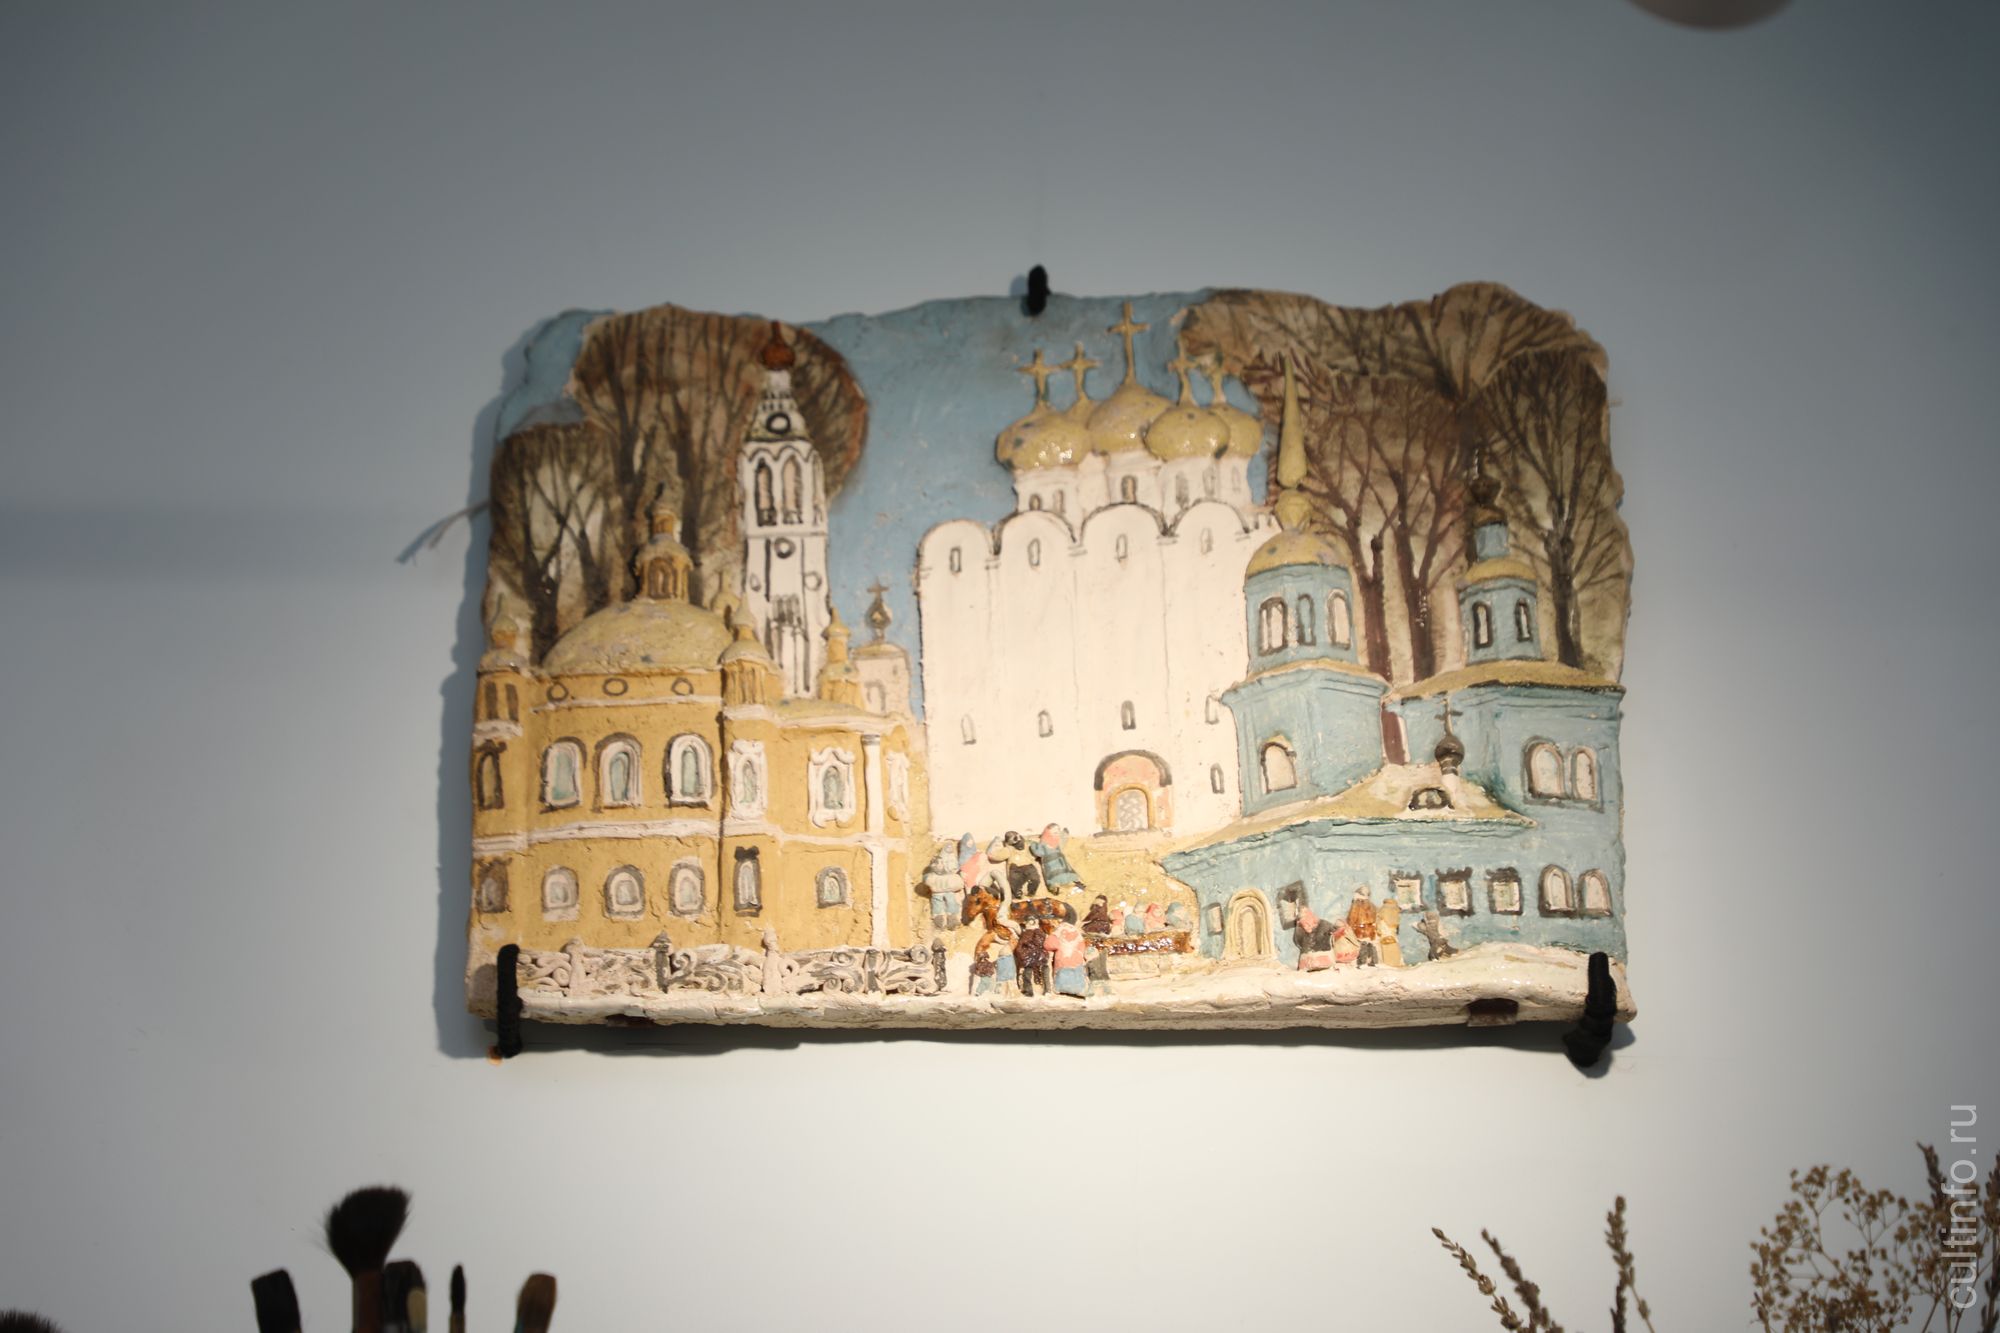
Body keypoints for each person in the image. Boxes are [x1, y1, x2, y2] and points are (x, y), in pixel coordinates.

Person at [918, 841, 962, 935]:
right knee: (937, 901)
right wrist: (931, 880)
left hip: (949, 890)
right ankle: (939, 917)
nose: (942, 865)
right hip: (938, 892)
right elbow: (926, 879)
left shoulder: (951, 860)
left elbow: (955, 873)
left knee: (951, 901)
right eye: (940, 863)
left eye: (942, 863)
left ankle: (952, 916)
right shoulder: (933, 873)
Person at [1046, 907, 1090, 997]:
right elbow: (1082, 944)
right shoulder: (1076, 931)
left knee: (1063, 973)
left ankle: (1061, 988)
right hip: (1076, 958)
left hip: (1063, 956)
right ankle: (1078, 988)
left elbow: (1050, 944)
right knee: (1077, 973)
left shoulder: (1060, 930)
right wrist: (1080, 954)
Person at [1029, 824, 1082, 897]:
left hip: (1063, 864)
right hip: (1051, 867)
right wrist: (1033, 844)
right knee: (1054, 878)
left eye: (1058, 832)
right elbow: (1037, 851)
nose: (1057, 835)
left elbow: (1063, 840)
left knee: (1069, 874)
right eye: (1055, 833)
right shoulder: (1043, 847)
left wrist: (1065, 833)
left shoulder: (1057, 844)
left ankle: (1075, 883)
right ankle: (1055, 888)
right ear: (1047, 834)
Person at [999, 831, 1042, 900]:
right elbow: (997, 856)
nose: (1019, 840)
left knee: (1035, 879)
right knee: (1015, 881)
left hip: (1028, 865)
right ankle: (1017, 894)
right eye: (1015, 838)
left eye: (1019, 837)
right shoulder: (1009, 849)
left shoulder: (1027, 844)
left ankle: (1031, 893)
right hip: (1015, 868)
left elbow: (1038, 851)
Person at [1013, 920, 1050, 997]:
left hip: (1029, 957)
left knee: (1027, 972)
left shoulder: (1026, 933)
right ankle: (1047, 989)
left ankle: (1029, 991)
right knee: (1044, 970)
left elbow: (1020, 946)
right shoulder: (1041, 933)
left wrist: (1021, 954)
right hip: (1041, 955)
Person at [1294, 907, 1336, 971]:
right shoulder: (1299, 929)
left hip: (1323, 956)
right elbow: (1298, 941)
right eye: (1305, 925)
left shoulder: (1324, 924)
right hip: (1308, 960)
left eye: (1308, 923)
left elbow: (1334, 931)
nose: (1307, 926)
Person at [1346, 888, 1378, 967]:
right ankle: (1373, 961)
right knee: (1370, 944)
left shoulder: (1357, 904)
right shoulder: (1372, 905)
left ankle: (1362, 962)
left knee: (1361, 945)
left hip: (1360, 928)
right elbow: (1375, 916)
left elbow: (1352, 916)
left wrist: (1350, 925)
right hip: (1371, 928)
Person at [1375, 891, 1404, 968]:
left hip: (1385, 929)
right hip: (1392, 930)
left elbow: (1379, 920)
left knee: (1386, 946)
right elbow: (1397, 922)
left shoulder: (1383, 909)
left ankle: (1389, 962)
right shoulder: (1395, 908)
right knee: (1393, 944)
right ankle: (1395, 962)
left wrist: (1379, 929)